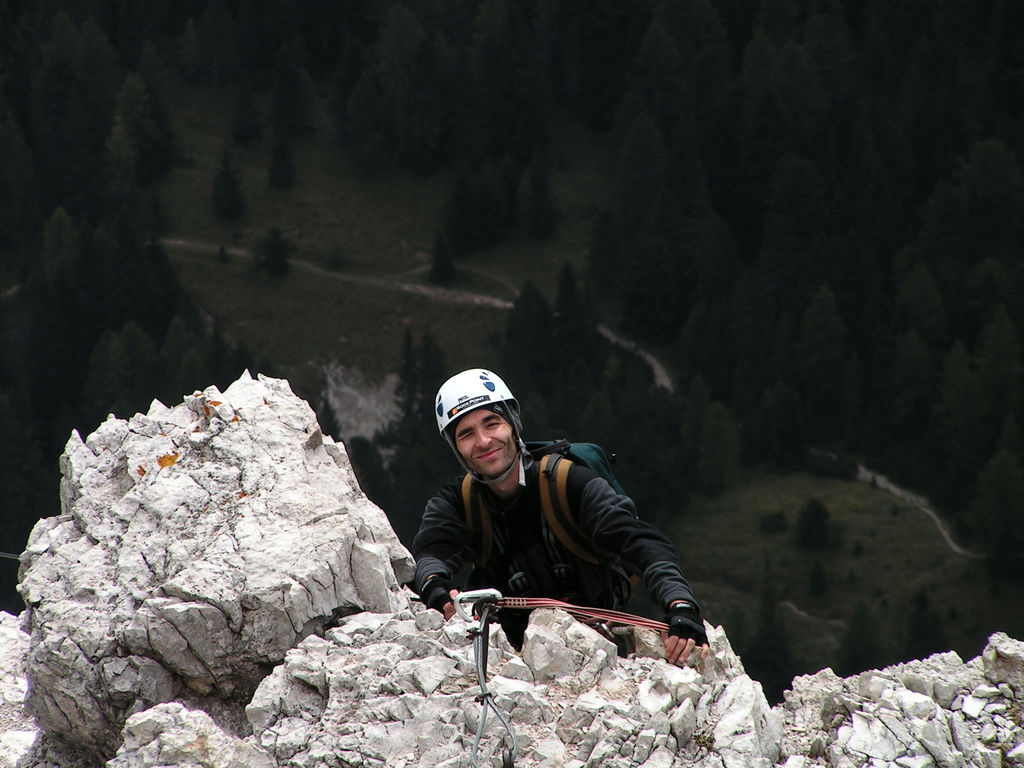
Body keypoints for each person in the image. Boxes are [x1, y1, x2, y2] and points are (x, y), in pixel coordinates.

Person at [412, 368, 709, 666]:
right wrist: (436, 589)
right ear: (456, 448)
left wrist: (680, 604)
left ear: (513, 424)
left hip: (596, 649)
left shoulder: (569, 483)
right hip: (510, 662)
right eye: (466, 434)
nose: (484, 440)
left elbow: (638, 541)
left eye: (492, 423)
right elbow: (431, 552)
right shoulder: (456, 502)